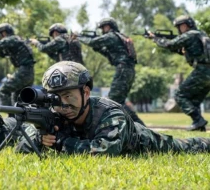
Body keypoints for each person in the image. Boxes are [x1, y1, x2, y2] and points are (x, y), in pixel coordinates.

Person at [17, 61, 210, 155]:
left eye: (68, 95)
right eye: (56, 98)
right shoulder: (55, 112)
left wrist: (60, 142)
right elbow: (21, 150)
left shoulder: (109, 113)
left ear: (85, 93)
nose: (63, 104)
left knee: (188, 147)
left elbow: (102, 153)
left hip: (148, 143)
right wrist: (40, 137)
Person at [78, 17, 145, 126]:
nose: (103, 30)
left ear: (108, 26)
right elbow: (107, 52)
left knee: (114, 100)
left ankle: (139, 126)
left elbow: (94, 42)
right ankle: (137, 126)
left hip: (123, 69)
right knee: (120, 101)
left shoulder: (111, 36)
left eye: (103, 27)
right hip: (128, 70)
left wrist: (79, 37)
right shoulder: (120, 37)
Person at [149, 15, 210, 131]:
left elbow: (170, 44)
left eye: (179, 27)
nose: (178, 30)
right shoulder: (200, 34)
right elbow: (186, 51)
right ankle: (199, 125)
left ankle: (198, 120)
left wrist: (155, 38)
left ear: (185, 26)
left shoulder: (189, 35)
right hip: (208, 73)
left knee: (179, 95)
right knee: (193, 100)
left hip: (202, 71)